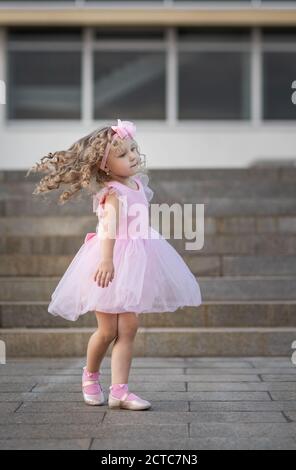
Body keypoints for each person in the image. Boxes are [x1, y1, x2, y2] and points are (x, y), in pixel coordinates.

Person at [26, 119, 202, 411]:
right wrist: (107, 260)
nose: (132, 156)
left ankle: (120, 390)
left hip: (134, 259)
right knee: (107, 331)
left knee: (129, 326)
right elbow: (108, 228)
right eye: (122, 154)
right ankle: (90, 376)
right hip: (108, 263)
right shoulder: (113, 194)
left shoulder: (135, 184)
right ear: (105, 167)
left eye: (133, 149)